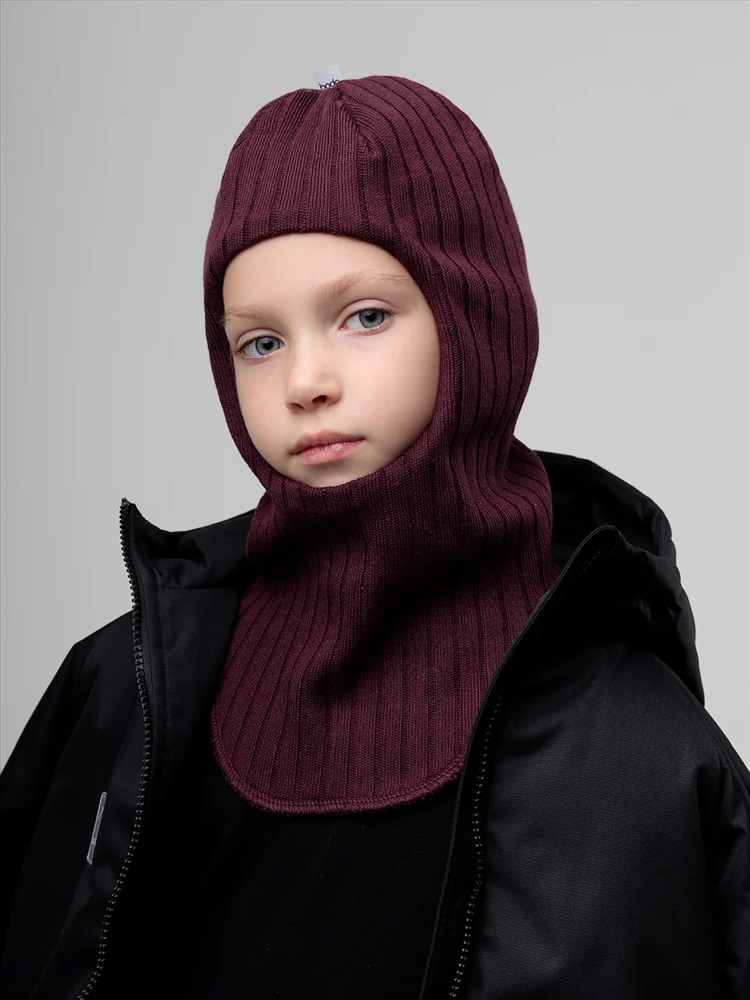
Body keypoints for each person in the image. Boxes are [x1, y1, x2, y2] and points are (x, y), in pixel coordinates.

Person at [1, 74, 748, 1000]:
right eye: (260, 342)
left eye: (364, 317)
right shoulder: (123, 689)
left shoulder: (635, 745)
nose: (304, 381)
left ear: (474, 321)